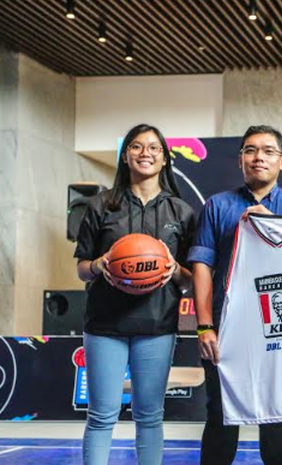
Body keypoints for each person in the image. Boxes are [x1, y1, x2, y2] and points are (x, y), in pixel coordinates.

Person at [188, 125, 282, 465]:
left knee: (276, 416)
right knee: (220, 414)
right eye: (250, 150)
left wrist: (272, 224)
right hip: (227, 326)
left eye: (267, 151)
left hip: (279, 325)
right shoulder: (218, 206)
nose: (258, 157)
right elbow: (202, 267)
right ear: (240, 160)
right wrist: (205, 326)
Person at [74, 124, 196, 465]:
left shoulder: (181, 213)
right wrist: (99, 264)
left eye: (154, 148)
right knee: (101, 415)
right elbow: (81, 267)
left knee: (149, 416)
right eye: (138, 147)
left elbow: (190, 279)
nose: (146, 153)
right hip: (105, 325)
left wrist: (175, 271)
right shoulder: (100, 206)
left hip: (157, 326)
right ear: (125, 155)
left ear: (164, 158)